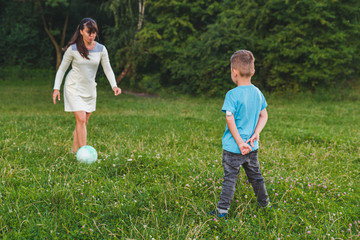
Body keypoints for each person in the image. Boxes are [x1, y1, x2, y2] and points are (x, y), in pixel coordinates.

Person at [209, 50, 270, 219]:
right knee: (256, 177)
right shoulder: (258, 93)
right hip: (251, 147)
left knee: (230, 179)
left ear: (234, 72)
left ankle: (222, 212)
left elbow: (230, 119)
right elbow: (264, 115)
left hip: (234, 148)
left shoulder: (232, 94)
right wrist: (256, 133)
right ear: (253, 71)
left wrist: (239, 142)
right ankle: (264, 204)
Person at [52, 17, 121, 153]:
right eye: (89, 32)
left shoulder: (101, 49)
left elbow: (107, 68)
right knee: (81, 119)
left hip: (90, 89)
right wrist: (56, 88)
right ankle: (84, 154)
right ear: (81, 31)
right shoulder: (73, 49)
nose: (92, 35)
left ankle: (74, 150)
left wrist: (114, 85)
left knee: (83, 122)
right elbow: (62, 69)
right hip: (73, 87)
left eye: (94, 32)